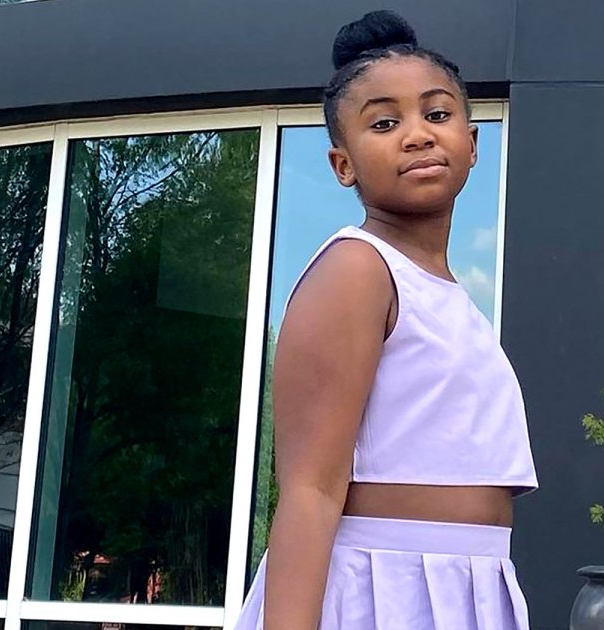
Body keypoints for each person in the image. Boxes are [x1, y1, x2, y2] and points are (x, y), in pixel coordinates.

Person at [234, 10, 537, 629]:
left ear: (473, 144)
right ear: (342, 164)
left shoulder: (452, 299)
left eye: (438, 114)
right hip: (379, 591)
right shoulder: (357, 269)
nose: (418, 135)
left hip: (467, 589)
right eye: (384, 123)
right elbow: (310, 492)